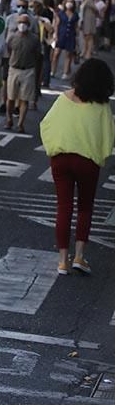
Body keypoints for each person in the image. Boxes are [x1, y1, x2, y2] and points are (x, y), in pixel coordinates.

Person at [40, 59, 115, 276]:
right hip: (87, 162)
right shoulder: (101, 106)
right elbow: (108, 135)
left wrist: (53, 148)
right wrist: (101, 155)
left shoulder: (64, 99)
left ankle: (62, 260)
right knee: (85, 207)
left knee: (64, 206)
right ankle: (79, 256)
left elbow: (46, 124)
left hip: (61, 159)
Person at [5, 13, 41, 133]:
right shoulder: (12, 37)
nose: (22, 25)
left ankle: (20, 123)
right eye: (20, 22)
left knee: (24, 99)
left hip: (28, 70)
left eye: (25, 23)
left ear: (29, 25)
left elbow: (37, 55)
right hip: (14, 68)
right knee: (10, 97)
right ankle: (9, 119)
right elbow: (8, 51)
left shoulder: (34, 39)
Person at [52, 0, 78, 79]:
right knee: (56, 53)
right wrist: (56, 35)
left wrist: (76, 38)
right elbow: (57, 25)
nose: (69, 3)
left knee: (68, 54)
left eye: (71, 2)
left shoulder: (75, 15)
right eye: (68, 2)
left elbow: (76, 26)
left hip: (70, 35)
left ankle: (65, 72)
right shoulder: (61, 13)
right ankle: (53, 70)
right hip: (61, 34)